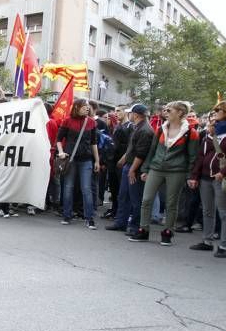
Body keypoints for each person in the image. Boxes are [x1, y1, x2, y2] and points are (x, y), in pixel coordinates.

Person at [129, 101, 199, 245]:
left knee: (171, 203)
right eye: (165, 110)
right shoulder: (160, 129)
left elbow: (193, 156)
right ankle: (143, 230)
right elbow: (152, 150)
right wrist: (145, 169)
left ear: (180, 112)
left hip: (177, 171)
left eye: (169, 110)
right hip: (156, 168)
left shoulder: (191, 133)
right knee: (146, 199)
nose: (165, 112)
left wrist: (190, 176)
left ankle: (167, 232)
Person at [189, 102, 226, 258]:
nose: (216, 113)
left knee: (225, 212)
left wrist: (224, 171)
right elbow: (202, 155)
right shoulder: (212, 131)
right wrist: (195, 175)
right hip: (205, 176)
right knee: (207, 211)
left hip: (223, 177)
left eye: (219, 110)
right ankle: (207, 241)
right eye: (215, 110)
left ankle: (224, 246)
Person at [105, 104, 153, 236]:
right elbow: (132, 148)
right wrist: (124, 159)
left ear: (136, 114)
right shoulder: (137, 127)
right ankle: (121, 222)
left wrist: (132, 169)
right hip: (129, 165)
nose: (129, 115)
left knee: (135, 199)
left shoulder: (145, 130)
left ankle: (134, 226)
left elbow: (141, 153)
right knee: (123, 196)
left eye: (130, 113)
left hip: (135, 168)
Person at [56, 98, 100, 229]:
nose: (87, 108)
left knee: (86, 188)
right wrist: (61, 152)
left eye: (87, 106)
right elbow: (59, 139)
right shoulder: (67, 121)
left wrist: (97, 160)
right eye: (84, 106)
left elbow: (94, 143)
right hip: (70, 159)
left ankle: (89, 218)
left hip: (86, 159)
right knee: (68, 187)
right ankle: (67, 215)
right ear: (76, 107)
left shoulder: (91, 122)